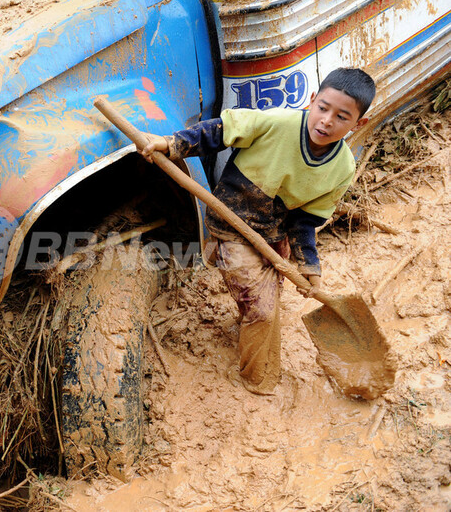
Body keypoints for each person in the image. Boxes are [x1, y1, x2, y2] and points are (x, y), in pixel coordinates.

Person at [138, 67, 376, 395]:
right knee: (263, 311)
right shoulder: (277, 123)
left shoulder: (342, 168)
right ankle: (257, 380)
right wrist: (171, 143)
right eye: (322, 108)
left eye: (341, 116)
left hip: (273, 236)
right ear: (311, 101)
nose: (326, 121)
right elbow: (219, 133)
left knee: (267, 297)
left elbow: (305, 221)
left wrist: (310, 267)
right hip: (230, 226)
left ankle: (247, 322)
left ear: (358, 124)